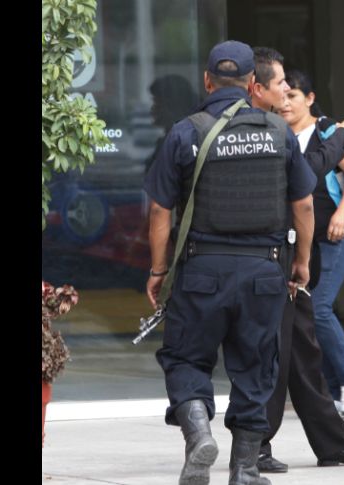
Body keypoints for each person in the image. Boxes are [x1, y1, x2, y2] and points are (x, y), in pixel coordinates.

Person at [144, 40, 316, 485]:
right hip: (264, 273)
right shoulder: (278, 133)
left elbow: (160, 210)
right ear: (252, 83)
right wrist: (302, 261)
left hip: (202, 271)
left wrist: (159, 270)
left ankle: (199, 432)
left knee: (185, 358)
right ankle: (245, 469)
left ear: (207, 81)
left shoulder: (186, 132)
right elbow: (303, 204)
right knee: (256, 367)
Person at [249, 48, 344, 472]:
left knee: (303, 350)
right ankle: (255, 445)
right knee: (274, 352)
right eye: (280, 86)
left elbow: (336, 172)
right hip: (279, 256)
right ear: (257, 87)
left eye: (290, 89)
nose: (285, 95)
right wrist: (342, 135)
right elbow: (305, 185)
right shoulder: (263, 129)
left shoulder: (274, 127)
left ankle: (333, 441)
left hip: (295, 255)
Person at [279, 69, 344, 418]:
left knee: (318, 308)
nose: (285, 103)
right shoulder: (279, 136)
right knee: (311, 312)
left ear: (310, 98)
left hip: (336, 237)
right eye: (282, 95)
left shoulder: (328, 131)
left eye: (293, 96)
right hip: (301, 240)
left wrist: (342, 214)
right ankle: (337, 388)